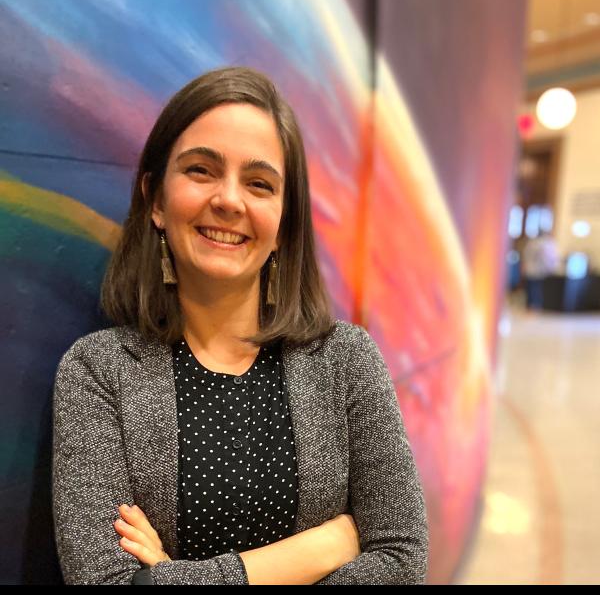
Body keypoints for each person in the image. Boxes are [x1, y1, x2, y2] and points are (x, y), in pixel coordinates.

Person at [52, 66, 428, 585]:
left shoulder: (347, 362)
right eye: (201, 170)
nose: (229, 200)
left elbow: (402, 562)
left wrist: (171, 575)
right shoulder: (98, 373)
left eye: (259, 183)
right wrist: (323, 547)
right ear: (156, 200)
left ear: (282, 223)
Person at [521, 228, 561, 310]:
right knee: (534, 289)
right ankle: (533, 305)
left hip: (535, 270)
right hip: (536, 270)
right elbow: (547, 258)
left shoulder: (534, 243)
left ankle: (532, 305)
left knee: (533, 288)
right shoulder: (542, 243)